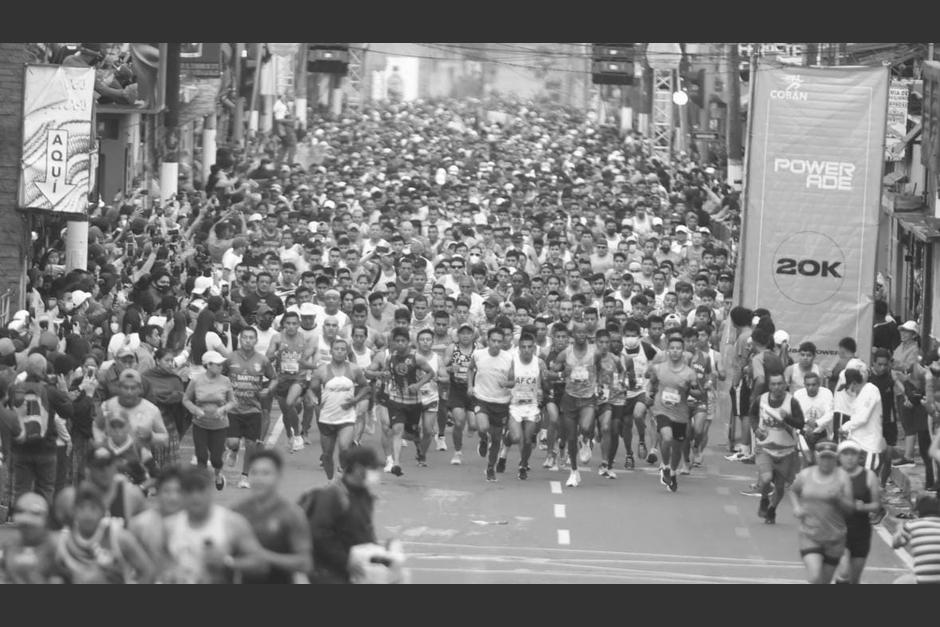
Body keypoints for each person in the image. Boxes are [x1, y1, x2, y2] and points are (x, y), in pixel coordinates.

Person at [161, 466, 268, 584]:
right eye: (190, 490)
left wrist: (227, 562)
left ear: (210, 490)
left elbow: (261, 563)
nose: (195, 497)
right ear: (182, 493)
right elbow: (161, 566)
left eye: (201, 489)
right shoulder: (169, 526)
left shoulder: (232, 523)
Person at [231, 450, 312, 584]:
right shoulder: (237, 512)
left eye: (265, 473)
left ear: (279, 476)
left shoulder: (292, 514)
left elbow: (305, 563)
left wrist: (264, 556)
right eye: (254, 473)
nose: (258, 479)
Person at [308, 446, 384, 584]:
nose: (376, 473)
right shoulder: (333, 495)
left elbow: (364, 531)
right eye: (372, 468)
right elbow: (318, 534)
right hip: (327, 573)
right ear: (358, 468)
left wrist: (378, 555)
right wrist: (346, 561)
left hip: (352, 570)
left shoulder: (365, 496)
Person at [53, 485, 156, 584]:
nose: (87, 514)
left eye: (93, 508)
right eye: (81, 508)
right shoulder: (60, 541)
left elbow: (148, 571)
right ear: (73, 511)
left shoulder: (119, 537)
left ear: (102, 511)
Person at [789, 441, 855, 584]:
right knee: (814, 576)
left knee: (824, 581)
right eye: (823, 457)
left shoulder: (843, 478)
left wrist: (840, 499)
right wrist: (797, 507)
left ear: (836, 458)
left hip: (835, 538)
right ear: (816, 456)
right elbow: (793, 491)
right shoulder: (805, 475)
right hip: (810, 534)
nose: (826, 461)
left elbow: (850, 508)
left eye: (830, 458)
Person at [309, 338, 371, 480]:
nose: (339, 351)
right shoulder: (321, 371)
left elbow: (366, 387)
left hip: (346, 417)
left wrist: (355, 400)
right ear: (331, 351)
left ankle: (341, 470)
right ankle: (330, 480)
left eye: (343, 349)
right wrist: (313, 398)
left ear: (347, 352)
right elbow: (311, 389)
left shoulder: (354, 369)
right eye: (337, 349)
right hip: (327, 417)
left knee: (344, 448)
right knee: (327, 455)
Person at [223, 327, 277, 489]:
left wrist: (268, 389)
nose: (247, 340)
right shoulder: (230, 358)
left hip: (253, 409)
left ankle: (245, 476)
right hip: (233, 408)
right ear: (240, 339)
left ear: (256, 341)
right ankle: (233, 451)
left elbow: (274, 378)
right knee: (232, 442)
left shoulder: (262, 360)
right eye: (244, 337)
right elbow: (220, 375)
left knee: (251, 444)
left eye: (251, 338)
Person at [647, 333, 701, 493]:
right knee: (667, 437)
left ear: (683, 351)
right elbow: (651, 383)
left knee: (677, 447)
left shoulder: (689, 373)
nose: (675, 351)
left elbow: (698, 393)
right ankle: (665, 465)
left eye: (678, 348)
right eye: (672, 348)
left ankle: (672, 471)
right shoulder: (658, 368)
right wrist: (649, 395)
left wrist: (690, 389)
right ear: (668, 350)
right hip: (662, 409)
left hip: (681, 413)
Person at [379, 327, 436, 477]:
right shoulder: (390, 357)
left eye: (403, 341)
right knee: (397, 430)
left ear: (408, 342)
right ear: (393, 342)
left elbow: (431, 373)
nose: (400, 344)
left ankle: (417, 443)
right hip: (396, 401)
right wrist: (384, 376)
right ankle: (397, 463)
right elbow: (386, 373)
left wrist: (418, 385)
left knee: (411, 434)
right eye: (397, 341)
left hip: (414, 402)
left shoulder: (417, 358)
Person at [750, 372, 804, 524]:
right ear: (769, 386)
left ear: (785, 385)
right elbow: (753, 415)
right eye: (773, 384)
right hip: (765, 448)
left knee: (780, 487)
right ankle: (764, 498)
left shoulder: (792, 402)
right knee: (766, 478)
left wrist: (786, 417)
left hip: (786, 451)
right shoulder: (761, 400)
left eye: (780, 384)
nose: (777, 387)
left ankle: (772, 509)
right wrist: (756, 429)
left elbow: (800, 423)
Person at [551, 322, 598, 487]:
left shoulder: (594, 352)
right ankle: (573, 471)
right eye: (578, 332)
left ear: (588, 334)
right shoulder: (565, 354)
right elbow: (554, 371)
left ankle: (585, 440)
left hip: (588, 397)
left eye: (584, 332)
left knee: (585, 427)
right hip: (569, 398)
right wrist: (562, 373)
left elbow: (605, 368)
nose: (581, 335)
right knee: (570, 436)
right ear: (573, 335)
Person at [182, 350, 237, 490]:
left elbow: (233, 402)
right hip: (200, 424)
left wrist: (223, 409)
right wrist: (195, 409)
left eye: (221, 364)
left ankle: (218, 474)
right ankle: (201, 484)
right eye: (218, 364)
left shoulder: (226, 381)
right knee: (201, 456)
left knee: (216, 458)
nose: (221, 367)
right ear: (208, 365)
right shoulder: (196, 381)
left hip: (219, 425)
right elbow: (186, 399)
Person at [469, 327, 515, 483]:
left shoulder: (508, 359)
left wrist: (506, 383)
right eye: (493, 340)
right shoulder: (478, 355)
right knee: (482, 427)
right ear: (488, 341)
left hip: (501, 403)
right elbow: (470, 369)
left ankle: (490, 467)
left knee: (496, 440)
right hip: (481, 398)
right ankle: (482, 438)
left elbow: (513, 381)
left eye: (499, 341)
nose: (496, 344)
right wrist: (470, 386)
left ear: (503, 343)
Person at [266, 311, 316, 453]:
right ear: (283, 324)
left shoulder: (305, 338)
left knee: (289, 403)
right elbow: (267, 358)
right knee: (286, 412)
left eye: (294, 323)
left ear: (299, 325)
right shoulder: (277, 338)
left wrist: (312, 370)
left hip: (298, 378)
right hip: (282, 379)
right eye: (288, 323)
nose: (291, 326)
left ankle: (298, 434)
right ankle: (290, 435)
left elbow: (307, 360)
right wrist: (277, 353)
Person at [834, 440, 881, 584]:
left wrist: (863, 507)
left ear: (859, 457)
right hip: (838, 531)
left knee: (854, 579)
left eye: (853, 454)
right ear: (839, 457)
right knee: (844, 571)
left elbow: (877, 505)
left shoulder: (869, 476)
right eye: (845, 454)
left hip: (861, 531)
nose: (849, 458)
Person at [0, 493, 62, 584]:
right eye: (23, 526)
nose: (26, 531)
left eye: (31, 526)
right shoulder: (9, 546)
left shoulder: (55, 548)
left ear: (45, 521)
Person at [141, 348, 187, 469]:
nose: (170, 364)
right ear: (157, 361)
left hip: (169, 425)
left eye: (172, 361)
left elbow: (182, 405)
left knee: (171, 467)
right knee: (151, 465)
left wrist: (175, 398)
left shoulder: (175, 379)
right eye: (167, 360)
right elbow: (141, 399)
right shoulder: (145, 378)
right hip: (150, 426)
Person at [442, 322, 477, 466]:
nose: (466, 336)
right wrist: (450, 368)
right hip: (457, 389)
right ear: (458, 335)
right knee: (458, 421)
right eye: (463, 333)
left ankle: (471, 427)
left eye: (469, 333)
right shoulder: (452, 348)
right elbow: (443, 366)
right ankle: (457, 451)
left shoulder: (478, 349)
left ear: (473, 335)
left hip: (474, 389)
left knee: (474, 425)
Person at [891, 495, 940, 584]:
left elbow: (895, 544)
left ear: (919, 512)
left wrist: (899, 528)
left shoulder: (912, 525)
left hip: (923, 581)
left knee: (898, 583)